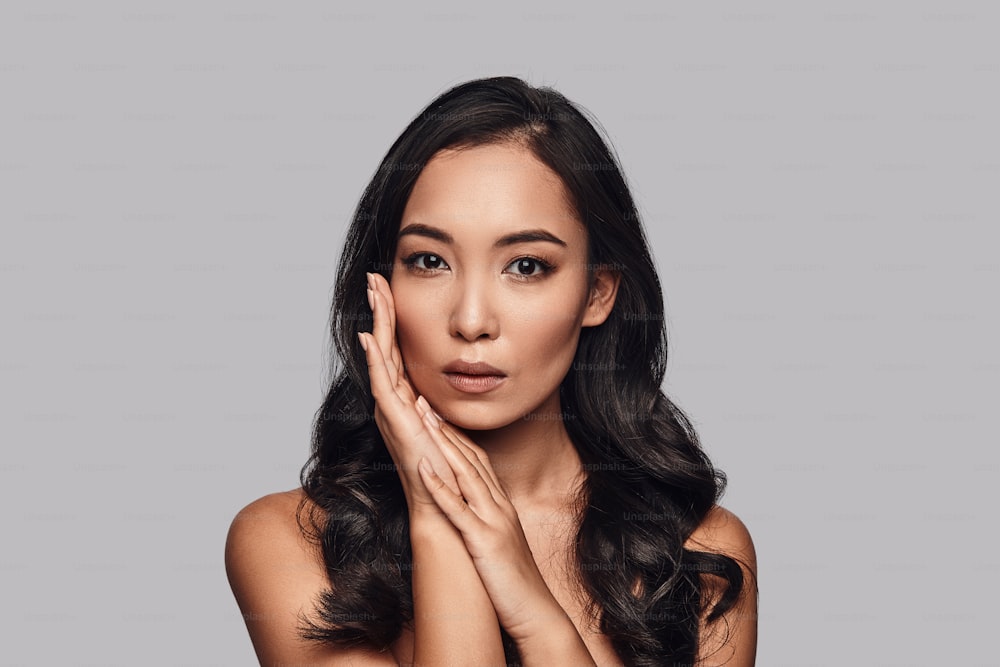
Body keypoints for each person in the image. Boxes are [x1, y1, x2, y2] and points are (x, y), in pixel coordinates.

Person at [225, 76, 758, 666]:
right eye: (429, 261)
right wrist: (436, 514)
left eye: (526, 266)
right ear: (384, 283)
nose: (471, 320)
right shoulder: (287, 540)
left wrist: (532, 609)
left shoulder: (698, 552)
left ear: (596, 293)